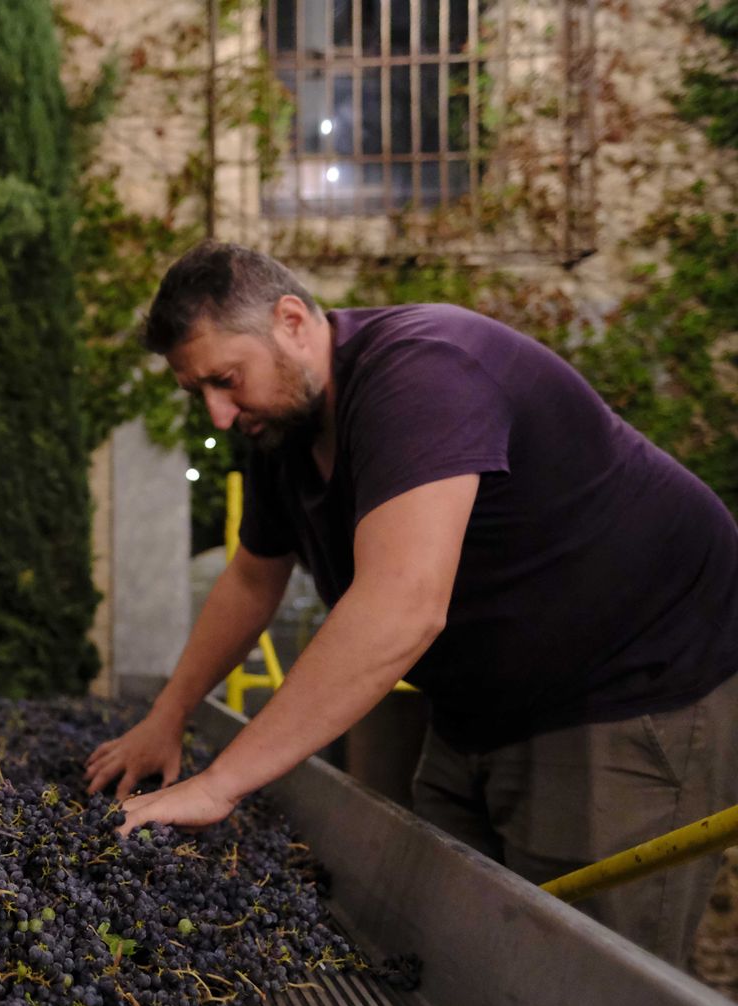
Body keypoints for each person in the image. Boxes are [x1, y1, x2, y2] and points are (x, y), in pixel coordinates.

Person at [84, 240, 738, 968]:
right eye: (198, 392)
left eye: (225, 380)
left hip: (628, 689)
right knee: (460, 957)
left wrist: (221, 784)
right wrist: (166, 717)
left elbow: (402, 606)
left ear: (292, 321)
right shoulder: (287, 432)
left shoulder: (422, 371)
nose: (219, 414)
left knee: (587, 985)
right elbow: (251, 579)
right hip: (475, 713)